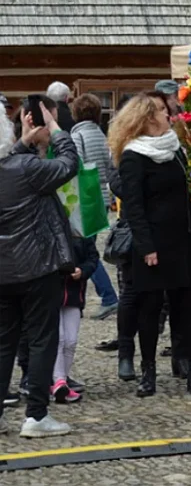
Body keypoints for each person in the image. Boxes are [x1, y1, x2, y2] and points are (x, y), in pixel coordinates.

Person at [110, 93, 191, 398]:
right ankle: (148, 370)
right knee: (150, 309)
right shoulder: (132, 156)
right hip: (153, 244)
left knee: (189, 308)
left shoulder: (179, 149)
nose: (169, 115)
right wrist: (146, 246)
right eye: (162, 112)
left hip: (186, 239)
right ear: (147, 118)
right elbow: (134, 207)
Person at [0, 101, 77, 438]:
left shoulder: (15, 164)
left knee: (3, 345)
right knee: (42, 341)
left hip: (3, 271)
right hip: (36, 266)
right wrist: (56, 129)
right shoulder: (27, 169)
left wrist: (25, 140)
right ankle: (36, 415)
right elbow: (69, 164)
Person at [69, 93, 120, 319]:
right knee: (88, 248)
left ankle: (108, 297)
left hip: (86, 197)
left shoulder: (76, 135)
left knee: (86, 251)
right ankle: (105, 296)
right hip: (102, 196)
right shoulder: (102, 135)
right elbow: (109, 165)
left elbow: (76, 166)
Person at [51, 236, 99, 404]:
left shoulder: (81, 234)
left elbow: (92, 258)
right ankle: (58, 380)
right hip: (51, 295)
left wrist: (82, 271)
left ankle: (62, 378)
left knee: (71, 340)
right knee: (59, 339)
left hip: (74, 293)